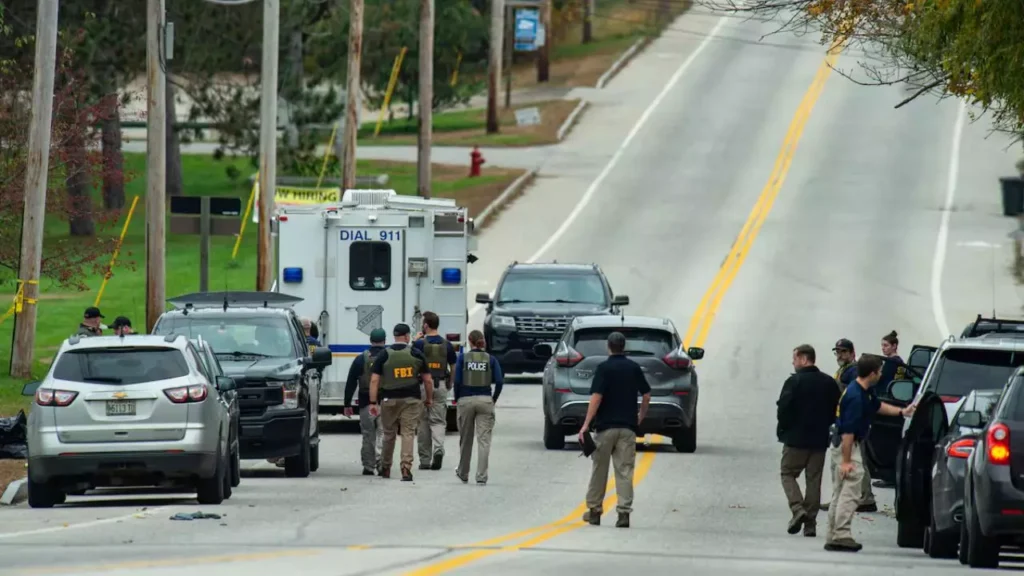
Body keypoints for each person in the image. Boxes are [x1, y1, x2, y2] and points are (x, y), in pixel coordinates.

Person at [825, 354, 915, 552]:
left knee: (840, 492)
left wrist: (902, 412)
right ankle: (841, 534)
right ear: (872, 373)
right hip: (847, 446)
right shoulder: (856, 396)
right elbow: (848, 432)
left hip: (845, 444)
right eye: (880, 371)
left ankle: (833, 533)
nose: (882, 374)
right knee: (850, 492)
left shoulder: (864, 391)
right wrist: (847, 462)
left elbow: (877, 406)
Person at [578, 332, 651, 529]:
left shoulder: (604, 368)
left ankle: (594, 511)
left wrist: (586, 424)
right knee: (625, 471)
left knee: (599, 471)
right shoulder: (633, 368)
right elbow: (646, 395)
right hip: (627, 429)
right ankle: (624, 514)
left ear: (608, 346)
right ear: (624, 346)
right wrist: (639, 417)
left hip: (605, 428)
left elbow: (596, 397)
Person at [777, 344, 841, 538]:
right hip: (819, 440)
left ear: (804, 359)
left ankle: (798, 509)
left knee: (787, 472)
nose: (793, 362)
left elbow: (784, 410)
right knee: (814, 480)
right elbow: (836, 409)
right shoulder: (829, 383)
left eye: (795, 358)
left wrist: (786, 429)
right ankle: (810, 524)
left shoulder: (793, 382)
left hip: (795, 440)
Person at [369, 323, 435, 481]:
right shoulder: (415, 353)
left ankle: (385, 467)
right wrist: (429, 399)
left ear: (394, 336)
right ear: (406, 336)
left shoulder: (384, 354)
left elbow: (374, 380)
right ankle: (406, 468)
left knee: (388, 434)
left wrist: (372, 402)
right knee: (408, 433)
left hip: (388, 400)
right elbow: (428, 380)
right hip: (411, 400)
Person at [822, 339, 877, 513]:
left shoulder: (853, 371)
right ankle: (862, 498)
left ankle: (860, 498)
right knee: (855, 460)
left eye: (844, 352)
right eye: (837, 352)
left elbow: (853, 395)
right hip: (846, 421)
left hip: (851, 423)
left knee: (850, 461)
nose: (840, 355)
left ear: (852, 353)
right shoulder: (844, 370)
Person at [453, 329, 503, 485]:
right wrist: (493, 399)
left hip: (465, 400)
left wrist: (457, 398)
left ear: (470, 341)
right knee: (484, 440)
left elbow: (457, 381)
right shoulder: (491, 359)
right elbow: (499, 382)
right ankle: (481, 476)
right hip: (485, 400)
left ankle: (463, 472)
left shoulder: (463, 358)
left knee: (465, 439)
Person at [412, 312, 457, 471]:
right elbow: (453, 366)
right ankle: (438, 449)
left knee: (423, 422)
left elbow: (412, 362)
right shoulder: (447, 344)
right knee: (438, 421)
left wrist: (415, 340)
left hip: (423, 386)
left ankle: (425, 460)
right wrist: (450, 383)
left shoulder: (419, 345)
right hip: (441, 384)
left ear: (425, 325)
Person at [344, 329, 388, 476]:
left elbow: (351, 382)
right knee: (384, 433)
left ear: (370, 341)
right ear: (385, 340)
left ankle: (368, 466)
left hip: (365, 403)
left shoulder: (361, 359)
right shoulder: (389, 357)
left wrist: (347, 404)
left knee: (368, 434)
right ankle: (382, 463)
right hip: (385, 402)